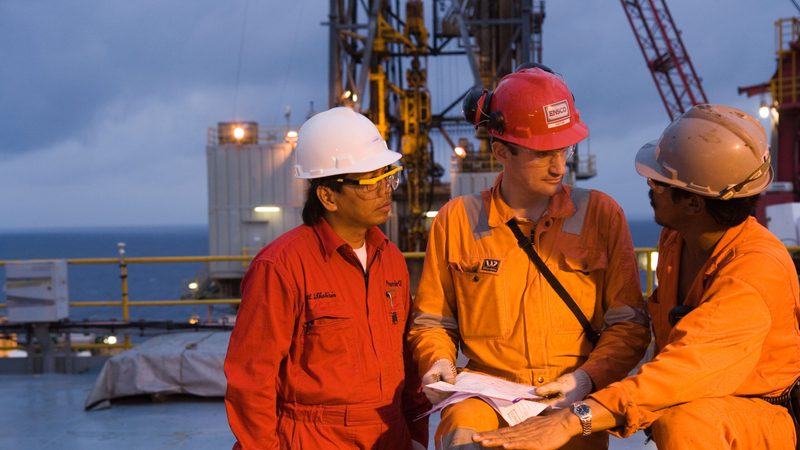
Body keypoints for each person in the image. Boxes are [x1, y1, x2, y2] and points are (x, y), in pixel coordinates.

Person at [473, 104, 800, 450]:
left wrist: (573, 419)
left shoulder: (754, 274)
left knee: (685, 423)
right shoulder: (677, 239)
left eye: (661, 182)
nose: (649, 184)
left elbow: (681, 371)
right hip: (709, 397)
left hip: (760, 414)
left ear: (693, 204)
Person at [408, 66, 651, 449]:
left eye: (565, 149)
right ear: (502, 151)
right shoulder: (457, 220)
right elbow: (433, 321)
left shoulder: (602, 215)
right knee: (465, 439)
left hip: (569, 397)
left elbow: (629, 325)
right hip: (487, 397)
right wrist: (437, 361)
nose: (559, 166)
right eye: (543, 154)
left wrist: (584, 380)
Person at [224, 106, 429, 450]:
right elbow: (251, 380)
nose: (385, 191)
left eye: (387, 176)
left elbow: (408, 367)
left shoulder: (390, 259)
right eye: (370, 182)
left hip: (388, 434)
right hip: (314, 437)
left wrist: (415, 437)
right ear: (328, 196)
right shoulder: (281, 266)